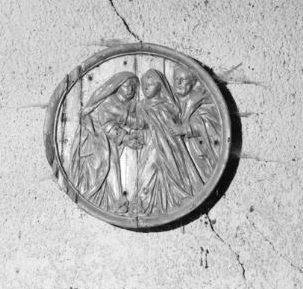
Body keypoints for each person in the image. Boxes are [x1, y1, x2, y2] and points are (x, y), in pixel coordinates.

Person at [67, 72, 142, 213]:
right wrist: (125, 137)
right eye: (126, 86)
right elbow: (108, 125)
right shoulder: (109, 102)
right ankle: (112, 199)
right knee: (108, 163)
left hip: (106, 138)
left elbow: (125, 121)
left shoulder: (126, 104)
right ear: (117, 86)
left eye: (133, 87)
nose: (130, 90)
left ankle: (116, 200)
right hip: (94, 139)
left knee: (113, 162)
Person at [135, 69, 202, 216]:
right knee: (147, 173)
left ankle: (174, 197)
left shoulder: (168, 105)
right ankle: (145, 205)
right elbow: (139, 124)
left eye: (150, 84)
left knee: (169, 170)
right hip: (150, 146)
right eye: (143, 84)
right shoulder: (141, 106)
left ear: (160, 86)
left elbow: (172, 124)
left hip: (169, 146)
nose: (145, 87)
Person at [170, 65, 222, 182]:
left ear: (192, 83)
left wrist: (185, 129)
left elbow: (210, 123)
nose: (178, 83)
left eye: (183, 80)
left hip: (198, 152)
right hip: (177, 155)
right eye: (176, 79)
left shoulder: (201, 100)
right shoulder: (171, 100)